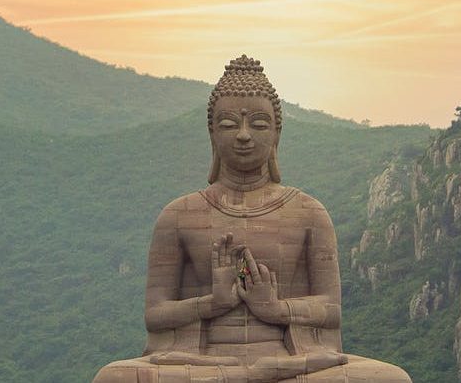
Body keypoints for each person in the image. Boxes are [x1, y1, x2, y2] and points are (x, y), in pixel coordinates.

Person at [93, 56, 409, 383]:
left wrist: (276, 309)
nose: (244, 135)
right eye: (229, 125)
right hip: (204, 362)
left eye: (258, 124)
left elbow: (331, 309)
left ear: (276, 134)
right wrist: (212, 303)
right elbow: (156, 314)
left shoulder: (309, 212)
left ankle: (255, 373)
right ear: (212, 134)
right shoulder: (178, 215)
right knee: (114, 377)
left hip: (289, 359)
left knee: (390, 378)